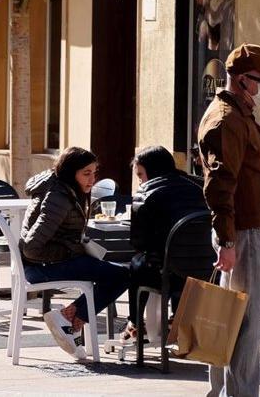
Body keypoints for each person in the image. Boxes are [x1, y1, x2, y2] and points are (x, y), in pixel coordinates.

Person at [198, 43, 260, 397]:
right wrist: (228, 241)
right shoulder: (227, 120)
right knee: (248, 323)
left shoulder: (240, 113)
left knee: (236, 318)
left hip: (251, 229)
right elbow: (220, 185)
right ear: (241, 80)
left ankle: (225, 391)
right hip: (246, 232)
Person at [21, 146, 130, 359]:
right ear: (72, 173)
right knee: (122, 275)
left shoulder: (64, 189)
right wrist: (72, 251)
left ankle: (70, 322)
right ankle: (68, 317)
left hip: (51, 261)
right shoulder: (58, 197)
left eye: (94, 173)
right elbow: (32, 248)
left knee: (115, 274)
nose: (92, 179)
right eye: (86, 173)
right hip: (42, 266)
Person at [122, 145, 207, 341]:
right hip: (205, 270)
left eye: (141, 174)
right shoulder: (201, 185)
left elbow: (138, 243)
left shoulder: (146, 192)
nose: (140, 180)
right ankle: (175, 320)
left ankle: (135, 322)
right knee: (168, 265)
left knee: (136, 264)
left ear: (151, 170)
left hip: (166, 272)